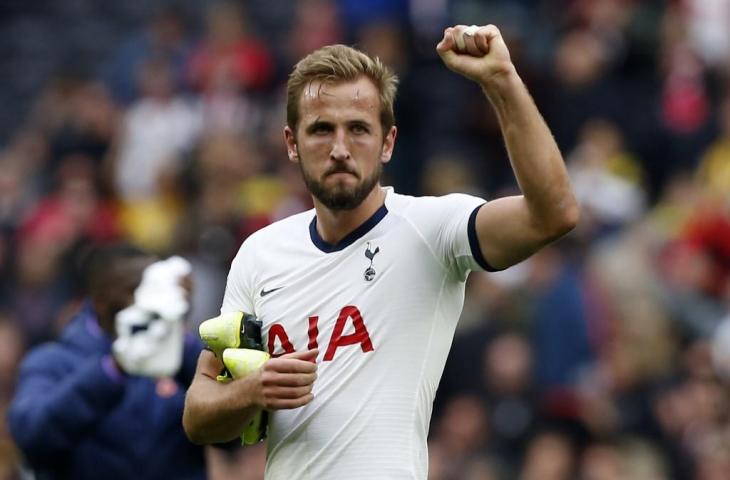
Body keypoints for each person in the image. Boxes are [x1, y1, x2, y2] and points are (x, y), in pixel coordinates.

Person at [182, 24, 579, 479]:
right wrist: (250, 391)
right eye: (320, 130)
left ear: (387, 142)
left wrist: (502, 81)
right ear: (292, 144)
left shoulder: (431, 230)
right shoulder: (260, 252)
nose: (339, 149)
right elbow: (198, 414)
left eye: (358, 130)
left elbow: (555, 214)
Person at [7, 244, 206, 479]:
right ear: (100, 301)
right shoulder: (51, 361)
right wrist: (112, 370)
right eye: (134, 289)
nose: (145, 301)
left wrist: (185, 348)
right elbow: (32, 438)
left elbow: (233, 437)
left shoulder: (182, 356)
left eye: (152, 290)